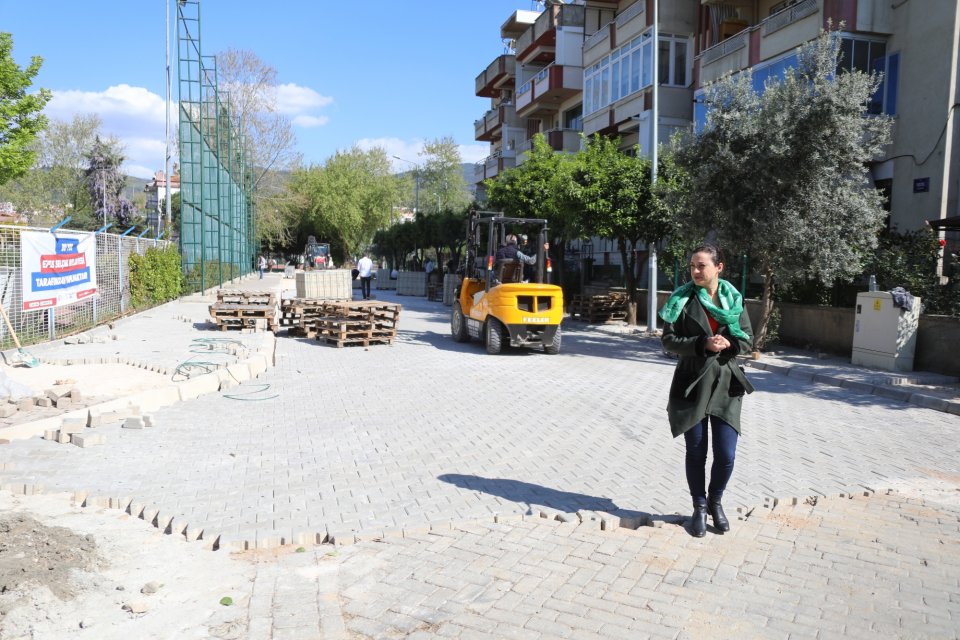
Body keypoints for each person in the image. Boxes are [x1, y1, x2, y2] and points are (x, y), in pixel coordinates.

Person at [658, 244, 754, 538]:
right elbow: (669, 340)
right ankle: (699, 507)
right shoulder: (681, 300)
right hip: (693, 383)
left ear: (718, 267)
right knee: (696, 452)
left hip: (726, 384)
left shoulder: (734, 300)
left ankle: (716, 500)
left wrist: (730, 344)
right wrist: (701, 345)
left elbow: (747, 340)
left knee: (726, 453)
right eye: (692, 266)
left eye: (701, 266)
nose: (695, 271)